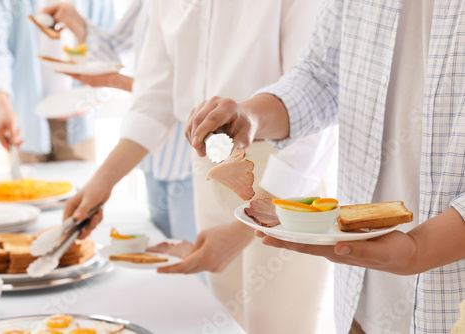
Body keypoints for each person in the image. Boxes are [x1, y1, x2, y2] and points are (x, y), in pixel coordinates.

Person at [185, 1, 465, 333]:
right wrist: (253, 115)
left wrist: (420, 249)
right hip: (359, 295)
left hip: (448, 298)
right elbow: (321, 75)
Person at [63, 0, 337, 332]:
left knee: (280, 326)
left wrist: (242, 230)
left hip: (284, 180)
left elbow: (315, 115)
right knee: (229, 320)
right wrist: (101, 182)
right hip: (208, 167)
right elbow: (155, 96)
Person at [41, 1, 197, 242]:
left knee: (195, 266)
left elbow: (180, 91)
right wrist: (76, 22)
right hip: (151, 155)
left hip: (191, 156)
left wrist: (119, 82)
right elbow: (115, 51)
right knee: (168, 254)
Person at [0, 0, 115, 163]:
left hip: (78, 117)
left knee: (81, 184)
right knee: (29, 185)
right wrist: (3, 105)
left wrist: (95, 90)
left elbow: (110, 43)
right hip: (22, 117)